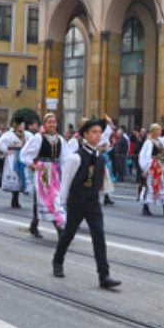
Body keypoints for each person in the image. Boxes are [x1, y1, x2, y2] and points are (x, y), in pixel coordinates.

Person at [52, 118, 121, 289]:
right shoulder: (75, 158)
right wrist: (62, 202)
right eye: (94, 132)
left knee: (99, 237)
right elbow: (66, 180)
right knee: (68, 233)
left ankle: (104, 276)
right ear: (85, 135)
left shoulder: (100, 157)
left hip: (93, 202)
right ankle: (58, 260)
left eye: (99, 132)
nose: (98, 135)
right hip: (77, 201)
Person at [20, 113, 68, 239]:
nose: (52, 124)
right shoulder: (38, 138)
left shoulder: (60, 139)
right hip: (43, 173)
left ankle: (34, 224)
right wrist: (33, 165)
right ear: (44, 124)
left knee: (53, 199)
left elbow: (65, 158)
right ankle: (59, 229)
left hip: (55, 173)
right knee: (48, 199)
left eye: (54, 122)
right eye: (49, 122)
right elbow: (24, 154)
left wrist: (66, 171)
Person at [139, 124, 164, 216]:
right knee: (151, 186)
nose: (160, 132)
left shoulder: (159, 141)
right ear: (154, 131)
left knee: (163, 185)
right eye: (159, 130)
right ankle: (145, 207)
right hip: (152, 167)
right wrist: (145, 169)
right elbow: (144, 156)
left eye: (160, 130)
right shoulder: (149, 143)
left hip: (160, 166)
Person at [0, 117, 31, 208]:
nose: (23, 126)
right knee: (15, 176)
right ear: (17, 125)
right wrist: (6, 151)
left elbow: (33, 142)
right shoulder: (10, 134)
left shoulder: (26, 134)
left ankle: (16, 199)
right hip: (13, 157)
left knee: (21, 177)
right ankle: (14, 199)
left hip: (22, 156)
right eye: (22, 124)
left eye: (24, 125)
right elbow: (0, 142)